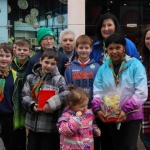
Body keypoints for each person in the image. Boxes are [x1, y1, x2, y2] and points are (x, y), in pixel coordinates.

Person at [92, 33, 148, 150]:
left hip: (131, 115)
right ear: (106, 49)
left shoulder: (136, 65)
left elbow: (141, 92)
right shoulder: (103, 68)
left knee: (129, 147)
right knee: (112, 146)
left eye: (118, 47)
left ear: (124, 48)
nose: (114, 51)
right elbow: (98, 90)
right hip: (110, 115)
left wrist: (126, 110)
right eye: (111, 48)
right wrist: (97, 109)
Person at [22, 49, 68, 150]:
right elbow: (24, 95)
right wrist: (32, 105)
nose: (49, 66)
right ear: (40, 60)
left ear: (56, 64)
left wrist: (50, 104)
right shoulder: (31, 78)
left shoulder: (59, 79)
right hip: (32, 125)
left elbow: (65, 94)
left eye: (52, 64)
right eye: (46, 62)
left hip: (49, 127)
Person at [57, 84, 101, 150]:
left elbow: (91, 124)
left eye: (86, 105)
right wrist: (76, 119)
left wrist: (95, 129)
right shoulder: (66, 116)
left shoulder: (88, 114)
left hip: (87, 147)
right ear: (72, 105)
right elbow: (64, 131)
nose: (85, 108)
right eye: (82, 106)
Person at [0, 43, 24, 150]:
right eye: (1, 55)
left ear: (12, 58)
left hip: (10, 118)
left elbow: (21, 98)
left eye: (7, 56)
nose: (4, 59)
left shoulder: (17, 76)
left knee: (11, 146)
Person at [64, 34, 100, 108]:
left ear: (91, 49)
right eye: (81, 48)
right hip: (75, 107)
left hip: (93, 107)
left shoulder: (97, 67)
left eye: (86, 48)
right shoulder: (69, 68)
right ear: (76, 48)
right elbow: (67, 90)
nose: (84, 50)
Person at [11, 38, 31, 150]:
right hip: (13, 104)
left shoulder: (32, 64)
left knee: (25, 135)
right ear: (15, 51)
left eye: (25, 49)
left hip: (26, 104)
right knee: (13, 137)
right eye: (19, 49)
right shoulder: (10, 65)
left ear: (29, 51)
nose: (22, 52)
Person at [139, 26, 150, 150]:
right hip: (145, 104)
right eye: (147, 38)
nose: (149, 41)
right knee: (145, 136)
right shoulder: (141, 59)